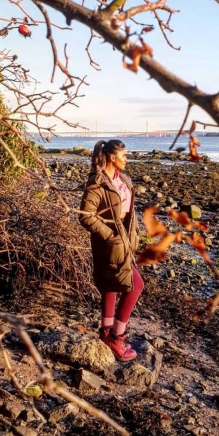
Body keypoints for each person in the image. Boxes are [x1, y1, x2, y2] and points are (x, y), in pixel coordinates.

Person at [79, 139, 144, 362]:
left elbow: (127, 210)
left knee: (111, 284)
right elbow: (86, 216)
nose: (127, 159)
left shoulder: (121, 179)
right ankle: (117, 337)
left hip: (123, 239)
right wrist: (111, 236)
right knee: (135, 285)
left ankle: (106, 333)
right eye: (124, 155)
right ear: (112, 158)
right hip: (110, 242)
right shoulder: (98, 183)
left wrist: (130, 234)